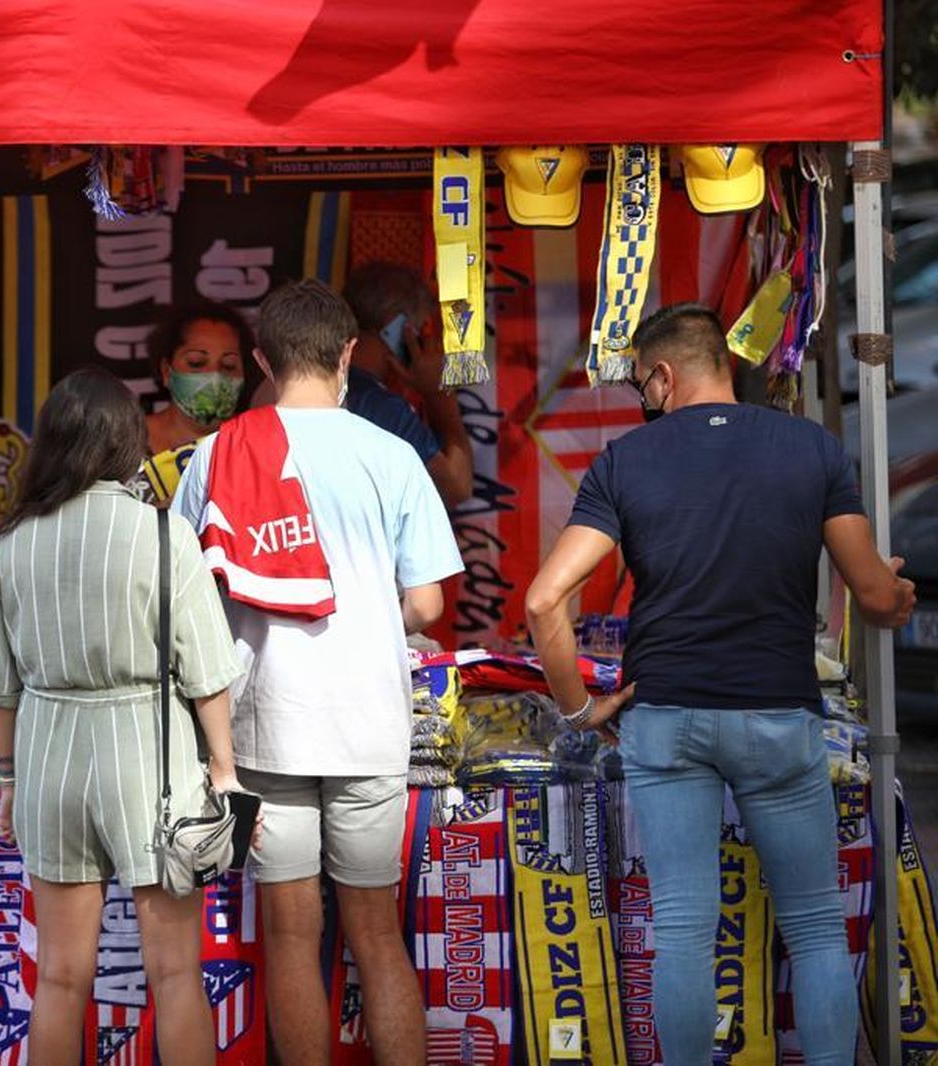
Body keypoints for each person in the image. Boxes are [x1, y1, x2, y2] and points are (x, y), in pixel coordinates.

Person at [524, 303, 916, 1066]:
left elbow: (544, 600)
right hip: (777, 713)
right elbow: (872, 595)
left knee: (680, 928)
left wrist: (577, 709)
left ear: (665, 375)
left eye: (643, 384)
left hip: (663, 716)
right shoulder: (812, 449)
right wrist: (897, 594)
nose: (645, 398)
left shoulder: (624, 461)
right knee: (812, 926)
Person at [174, 279, 464, 1065]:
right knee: (376, 934)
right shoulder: (394, 455)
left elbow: (187, 597)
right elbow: (430, 606)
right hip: (369, 726)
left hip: (265, 730)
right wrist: (372, 613)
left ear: (262, 361)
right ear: (345, 354)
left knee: (293, 938)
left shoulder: (214, 456)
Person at [0, 368, 246, 1066]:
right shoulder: (165, 537)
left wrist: (11, 778)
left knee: (57, 976)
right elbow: (206, 672)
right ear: (127, 444)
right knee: (174, 973)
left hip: (52, 758)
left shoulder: (14, 544)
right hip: (149, 757)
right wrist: (226, 772)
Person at [341, 261, 474, 506]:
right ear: (398, 327)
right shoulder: (378, 405)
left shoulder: (320, 383)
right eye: (420, 330)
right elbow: (456, 486)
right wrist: (438, 392)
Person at [145, 302, 254, 456]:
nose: (214, 376)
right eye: (196, 363)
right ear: (166, 371)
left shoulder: (255, 442)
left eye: (228, 366)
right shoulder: (129, 439)